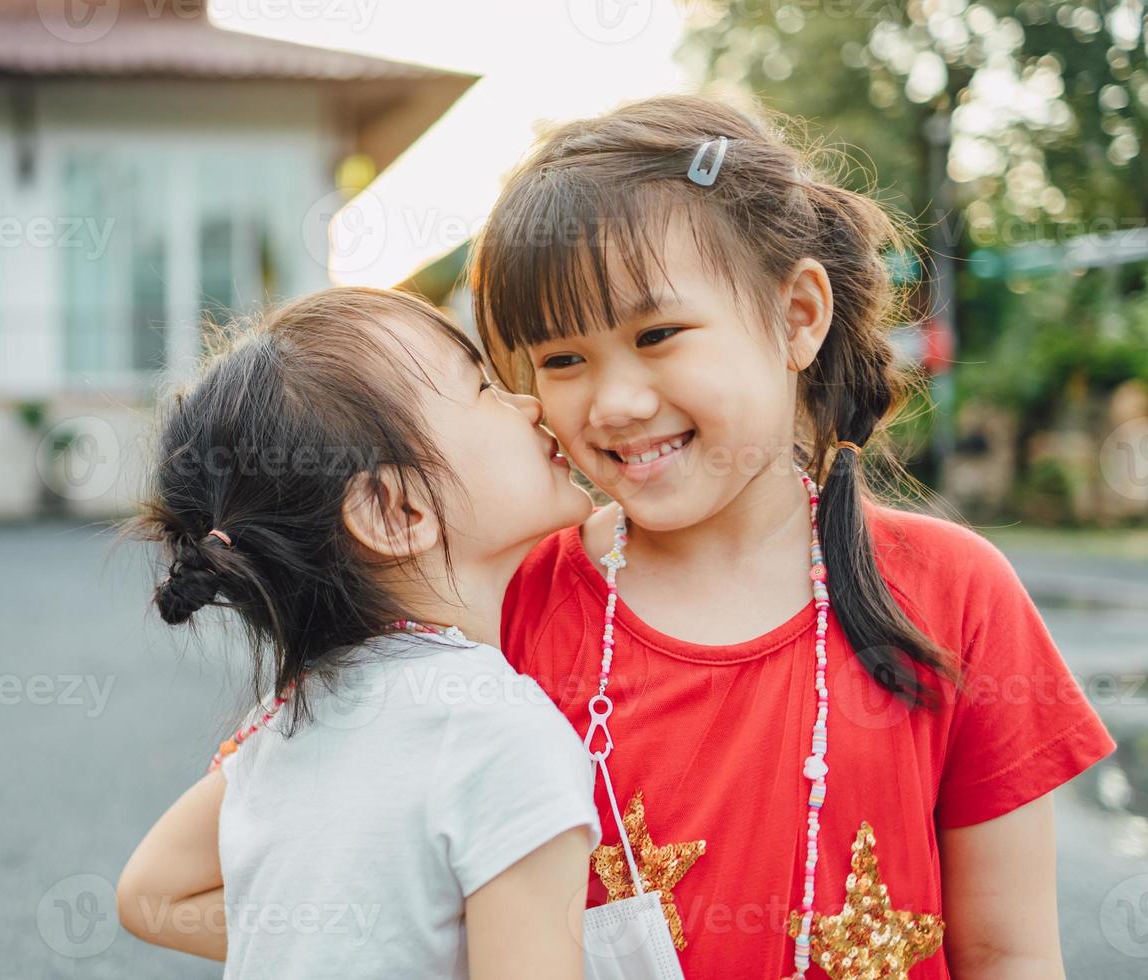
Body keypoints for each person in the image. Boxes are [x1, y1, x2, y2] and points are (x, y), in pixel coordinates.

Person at [471, 94, 1115, 980]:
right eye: (560, 360)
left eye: (657, 334)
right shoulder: (508, 605)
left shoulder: (956, 594)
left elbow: (1008, 954)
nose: (612, 403)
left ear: (798, 317)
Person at [115, 287, 601, 979]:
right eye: (484, 387)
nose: (529, 405)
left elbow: (150, 895)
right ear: (394, 509)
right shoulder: (503, 734)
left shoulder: (284, 722)